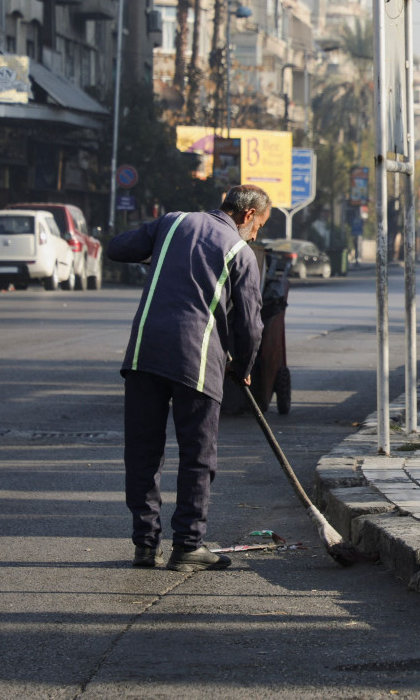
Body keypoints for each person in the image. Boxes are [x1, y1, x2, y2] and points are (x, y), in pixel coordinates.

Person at [107, 185, 270, 572]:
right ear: (248, 216)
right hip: (195, 360)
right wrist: (243, 370)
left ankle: (145, 546)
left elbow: (117, 248)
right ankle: (187, 546)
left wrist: (162, 256)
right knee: (197, 456)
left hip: (144, 353)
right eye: (260, 225)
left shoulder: (172, 222)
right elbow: (250, 325)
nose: (257, 235)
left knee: (143, 453)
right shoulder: (240, 252)